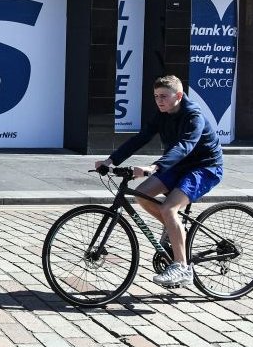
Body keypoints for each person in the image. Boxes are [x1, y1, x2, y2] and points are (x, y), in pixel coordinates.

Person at [95, 75, 223, 288]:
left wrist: (154, 167)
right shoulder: (162, 114)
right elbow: (141, 138)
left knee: (170, 208)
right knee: (142, 195)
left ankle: (182, 267)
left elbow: (184, 146)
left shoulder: (194, 116)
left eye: (164, 96)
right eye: (156, 96)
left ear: (179, 96)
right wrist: (110, 160)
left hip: (204, 167)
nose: (159, 100)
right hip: (178, 166)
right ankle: (176, 230)